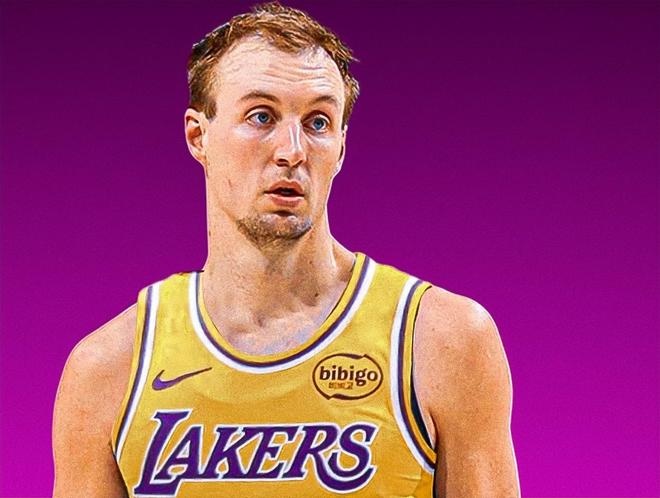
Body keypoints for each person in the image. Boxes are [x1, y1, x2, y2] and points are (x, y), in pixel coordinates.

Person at [52, 3, 520, 497]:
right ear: (198, 136)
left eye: (318, 122)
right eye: (261, 116)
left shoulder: (441, 342)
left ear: (341, 147)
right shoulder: (109, 369)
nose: (292, 150)